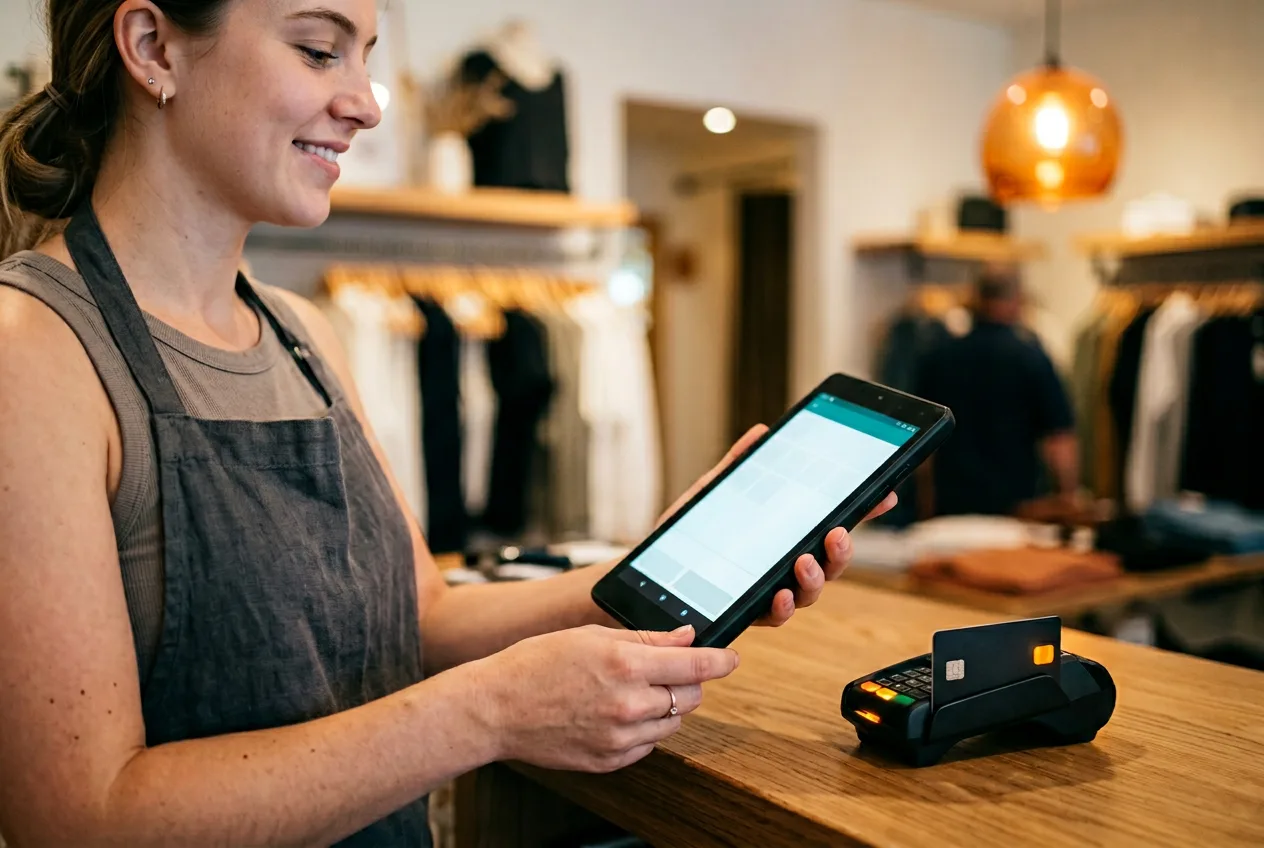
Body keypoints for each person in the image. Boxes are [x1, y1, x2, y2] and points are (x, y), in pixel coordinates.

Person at [0, 2, 895, 845]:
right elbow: (82, 819)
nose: (363, 104)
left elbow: (417, 617)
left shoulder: (304, 334)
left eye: (366, 58)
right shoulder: (33, 351)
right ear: (154, 47)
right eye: (320, 49)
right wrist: (489, 712)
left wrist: (651, 563)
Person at [914, 267, 1079, 518]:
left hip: (952, 503)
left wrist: (925, 504)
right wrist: (1068, 496)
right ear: (1018, 300)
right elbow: (1059, 438)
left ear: (977, 298)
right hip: (1019, 506)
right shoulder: (1031, 357)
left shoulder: (939, 355)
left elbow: (924, 444)